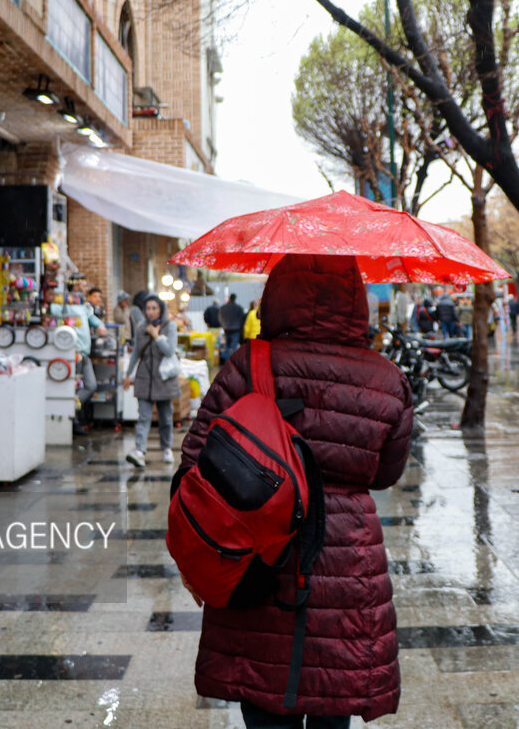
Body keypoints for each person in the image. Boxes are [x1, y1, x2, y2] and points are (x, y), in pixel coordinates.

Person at [178, 254, 412, 728]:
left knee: (263, 695)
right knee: (333, 693)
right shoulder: (386, 378)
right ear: (356, 303)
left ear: (279, 295)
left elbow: (195, 463)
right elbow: (387, 473)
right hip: (347, 558)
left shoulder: (248, 365)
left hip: (258, 552)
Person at [124, 296, 180, 466]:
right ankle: (140, 451)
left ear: (161, 309)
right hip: (145, 377)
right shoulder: (141, 327)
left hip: (164, 379)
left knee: (166, 418)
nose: (151, 311)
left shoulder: (169, 326)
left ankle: (166, 448)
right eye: (148, 308)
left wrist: (157, 336)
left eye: (154, 308)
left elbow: (170, 350)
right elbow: (135, 353)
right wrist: (128, 374)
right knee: (143, 417)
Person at [51, 293, 109, 434]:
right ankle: (72, 419)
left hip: (84, 354)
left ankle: (72, 406)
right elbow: (52, 311)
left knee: (90, 385)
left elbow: (94, 320)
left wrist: (101, 326)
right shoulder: (62, 308)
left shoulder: (83, 309)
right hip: (72, 354)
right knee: (72, 387)